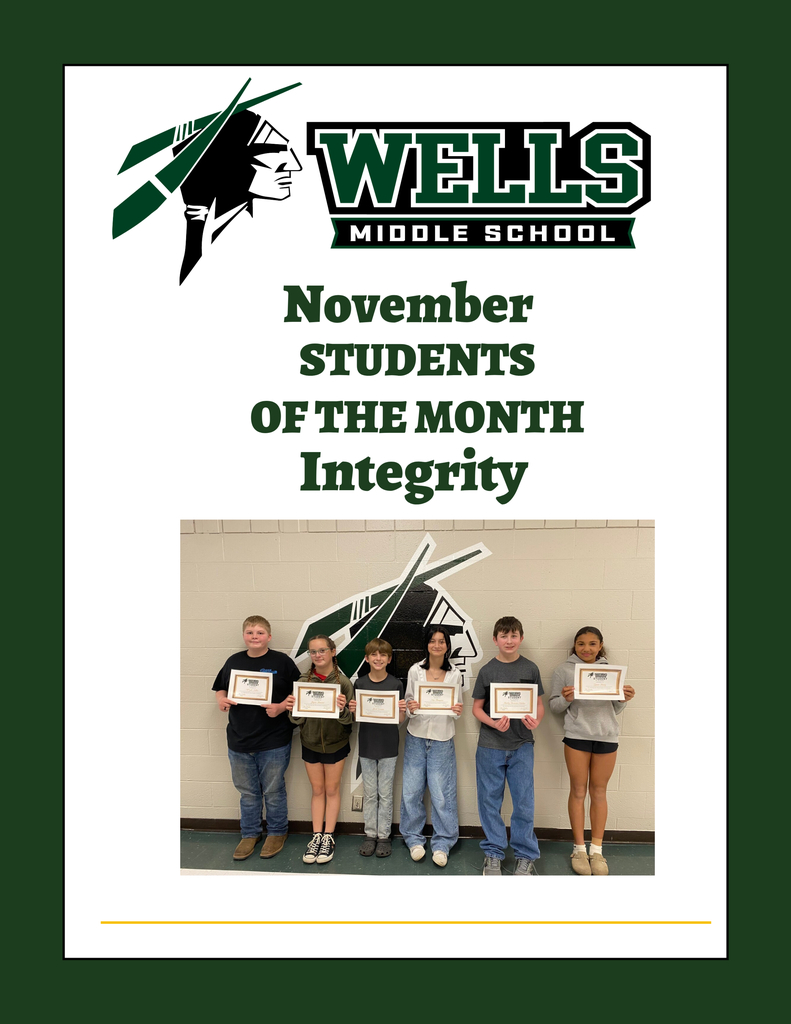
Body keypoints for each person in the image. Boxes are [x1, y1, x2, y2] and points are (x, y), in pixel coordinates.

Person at [549, 626, 635, 875]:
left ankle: (596, 850)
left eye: (592, 643)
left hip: (607, 737)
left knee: (599, 792)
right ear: (574, 646)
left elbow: (615, 710)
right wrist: (566, 698)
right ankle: (578, 848)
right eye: (581, 644)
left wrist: (622, 700)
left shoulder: (611, 671)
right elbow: (554, 706)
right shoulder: (563, 670)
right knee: (578, 790)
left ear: (600, 646)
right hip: (577, 737)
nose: (586, 648)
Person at [212, 616, 300, 860]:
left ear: (269, 637)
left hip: (274, 739)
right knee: (248, 792)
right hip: (239, 740)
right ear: (244, 636)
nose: (254, 636)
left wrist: (281, 707)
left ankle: (277, 833)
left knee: (273, 790)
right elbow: (220, 687)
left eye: (260, 632)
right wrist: (221, 700)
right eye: (250, 632)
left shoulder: (282, 662)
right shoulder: (233, 662)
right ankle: (250, 833)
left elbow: (300, 692)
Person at [472, 615, 544, 876]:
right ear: (495, 640)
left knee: (524, 802)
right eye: (504, 636)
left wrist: (537, 719)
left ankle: (525, 855)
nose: (509, 640)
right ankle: (493, 853)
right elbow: (476, 708)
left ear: (521, 638)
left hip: (522, 744)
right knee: (489, 801)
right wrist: (492, 723)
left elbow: (538, 704)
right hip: (490, 745)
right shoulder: (487, 671)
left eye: (514, 636)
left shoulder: (531, 669)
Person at [400, 626, 464, 867]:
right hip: (416, 735)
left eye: (441, 642)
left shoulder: (455, 675)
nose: (437, 645)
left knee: (442, 794)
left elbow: (456, 706)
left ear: (447, 646)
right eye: (433, 641)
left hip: (442, 738)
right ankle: (414, 839)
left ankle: (443, 842)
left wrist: (457, 711)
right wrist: (411, 708)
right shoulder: (415, 670)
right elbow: (408, 700)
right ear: (426, 645)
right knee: (411, 791)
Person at [289, 635, 353, 865]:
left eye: (322, 650)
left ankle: (328, 837)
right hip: (310, 743)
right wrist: (292, 708)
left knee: (331, 790)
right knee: (317, 790)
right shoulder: (303, 680)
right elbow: (295, 720)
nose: (317, 655)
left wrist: (343, 709)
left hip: (336, 743)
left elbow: (350, 721)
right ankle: (316, 836)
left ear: (333, 652)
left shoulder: (343, 682)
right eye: (313, 651)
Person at [348, 639, 406, 858]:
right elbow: (357, 717)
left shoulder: (396, 684)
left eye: (383, 655)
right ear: (367, 658)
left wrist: (402, 710)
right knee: (371, 794)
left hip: (389, 746)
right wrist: (353, 709)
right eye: (374, 655)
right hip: (367, 746)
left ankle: (384, 836)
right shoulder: (360, 684)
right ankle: (370, 834)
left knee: (386, 793)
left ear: (389, 659)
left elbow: (400, 719)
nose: (378, 658)